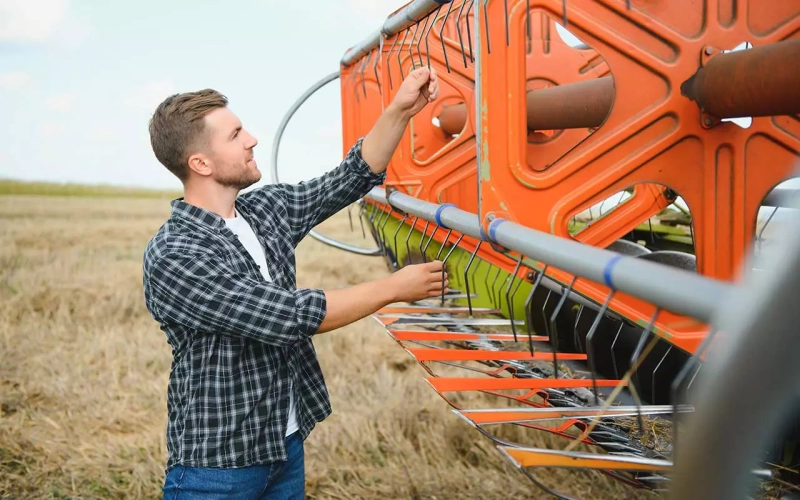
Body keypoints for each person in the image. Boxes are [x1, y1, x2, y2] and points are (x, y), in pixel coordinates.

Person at [141, 65, 447, 500]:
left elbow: (349, 178)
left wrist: (401, 110)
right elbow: (288, 316)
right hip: (219, 466)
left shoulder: (265, 209)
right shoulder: (175, 254)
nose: (251, 139)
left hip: (283, 445)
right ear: (200, 163)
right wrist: (394, 288)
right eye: (235, 135)